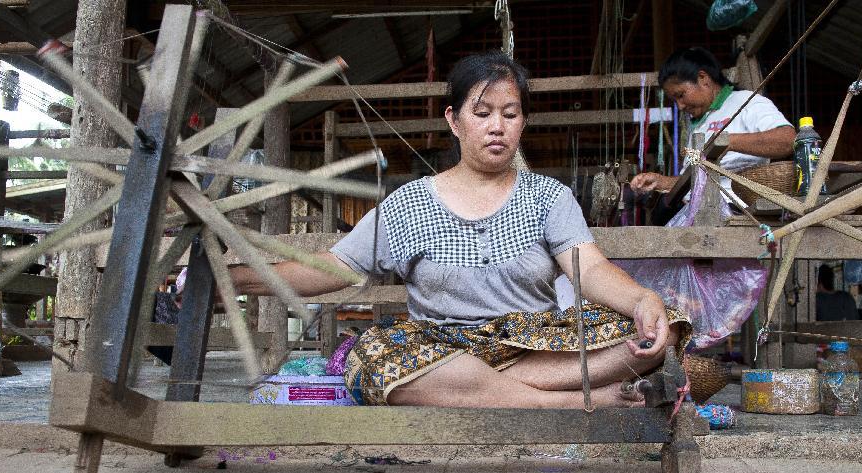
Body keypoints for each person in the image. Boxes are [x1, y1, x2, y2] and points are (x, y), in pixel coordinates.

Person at [231, 52, 690, 408]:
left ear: (523, 123)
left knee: (660, 331)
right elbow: (334, 268)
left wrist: (642, 300)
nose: (497, 128)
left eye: (510, 115)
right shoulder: (408, 204)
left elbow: (589, 268)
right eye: (482, 112)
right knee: (372, 357)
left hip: (534, 348)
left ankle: (486, 392)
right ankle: (577, 403)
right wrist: (235, 280)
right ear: (453, 120)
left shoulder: (548, 196)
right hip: (441, 347)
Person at [630, 47, 794, 223]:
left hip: (737, 207)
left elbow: (788, 139)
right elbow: (696, 180)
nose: (680, 106)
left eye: (681, 95)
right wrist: (661, 182)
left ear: (703, 78)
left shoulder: (747, 102)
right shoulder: (699, 125)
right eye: (675, 100)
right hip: (698, 211)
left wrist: (728, 141)